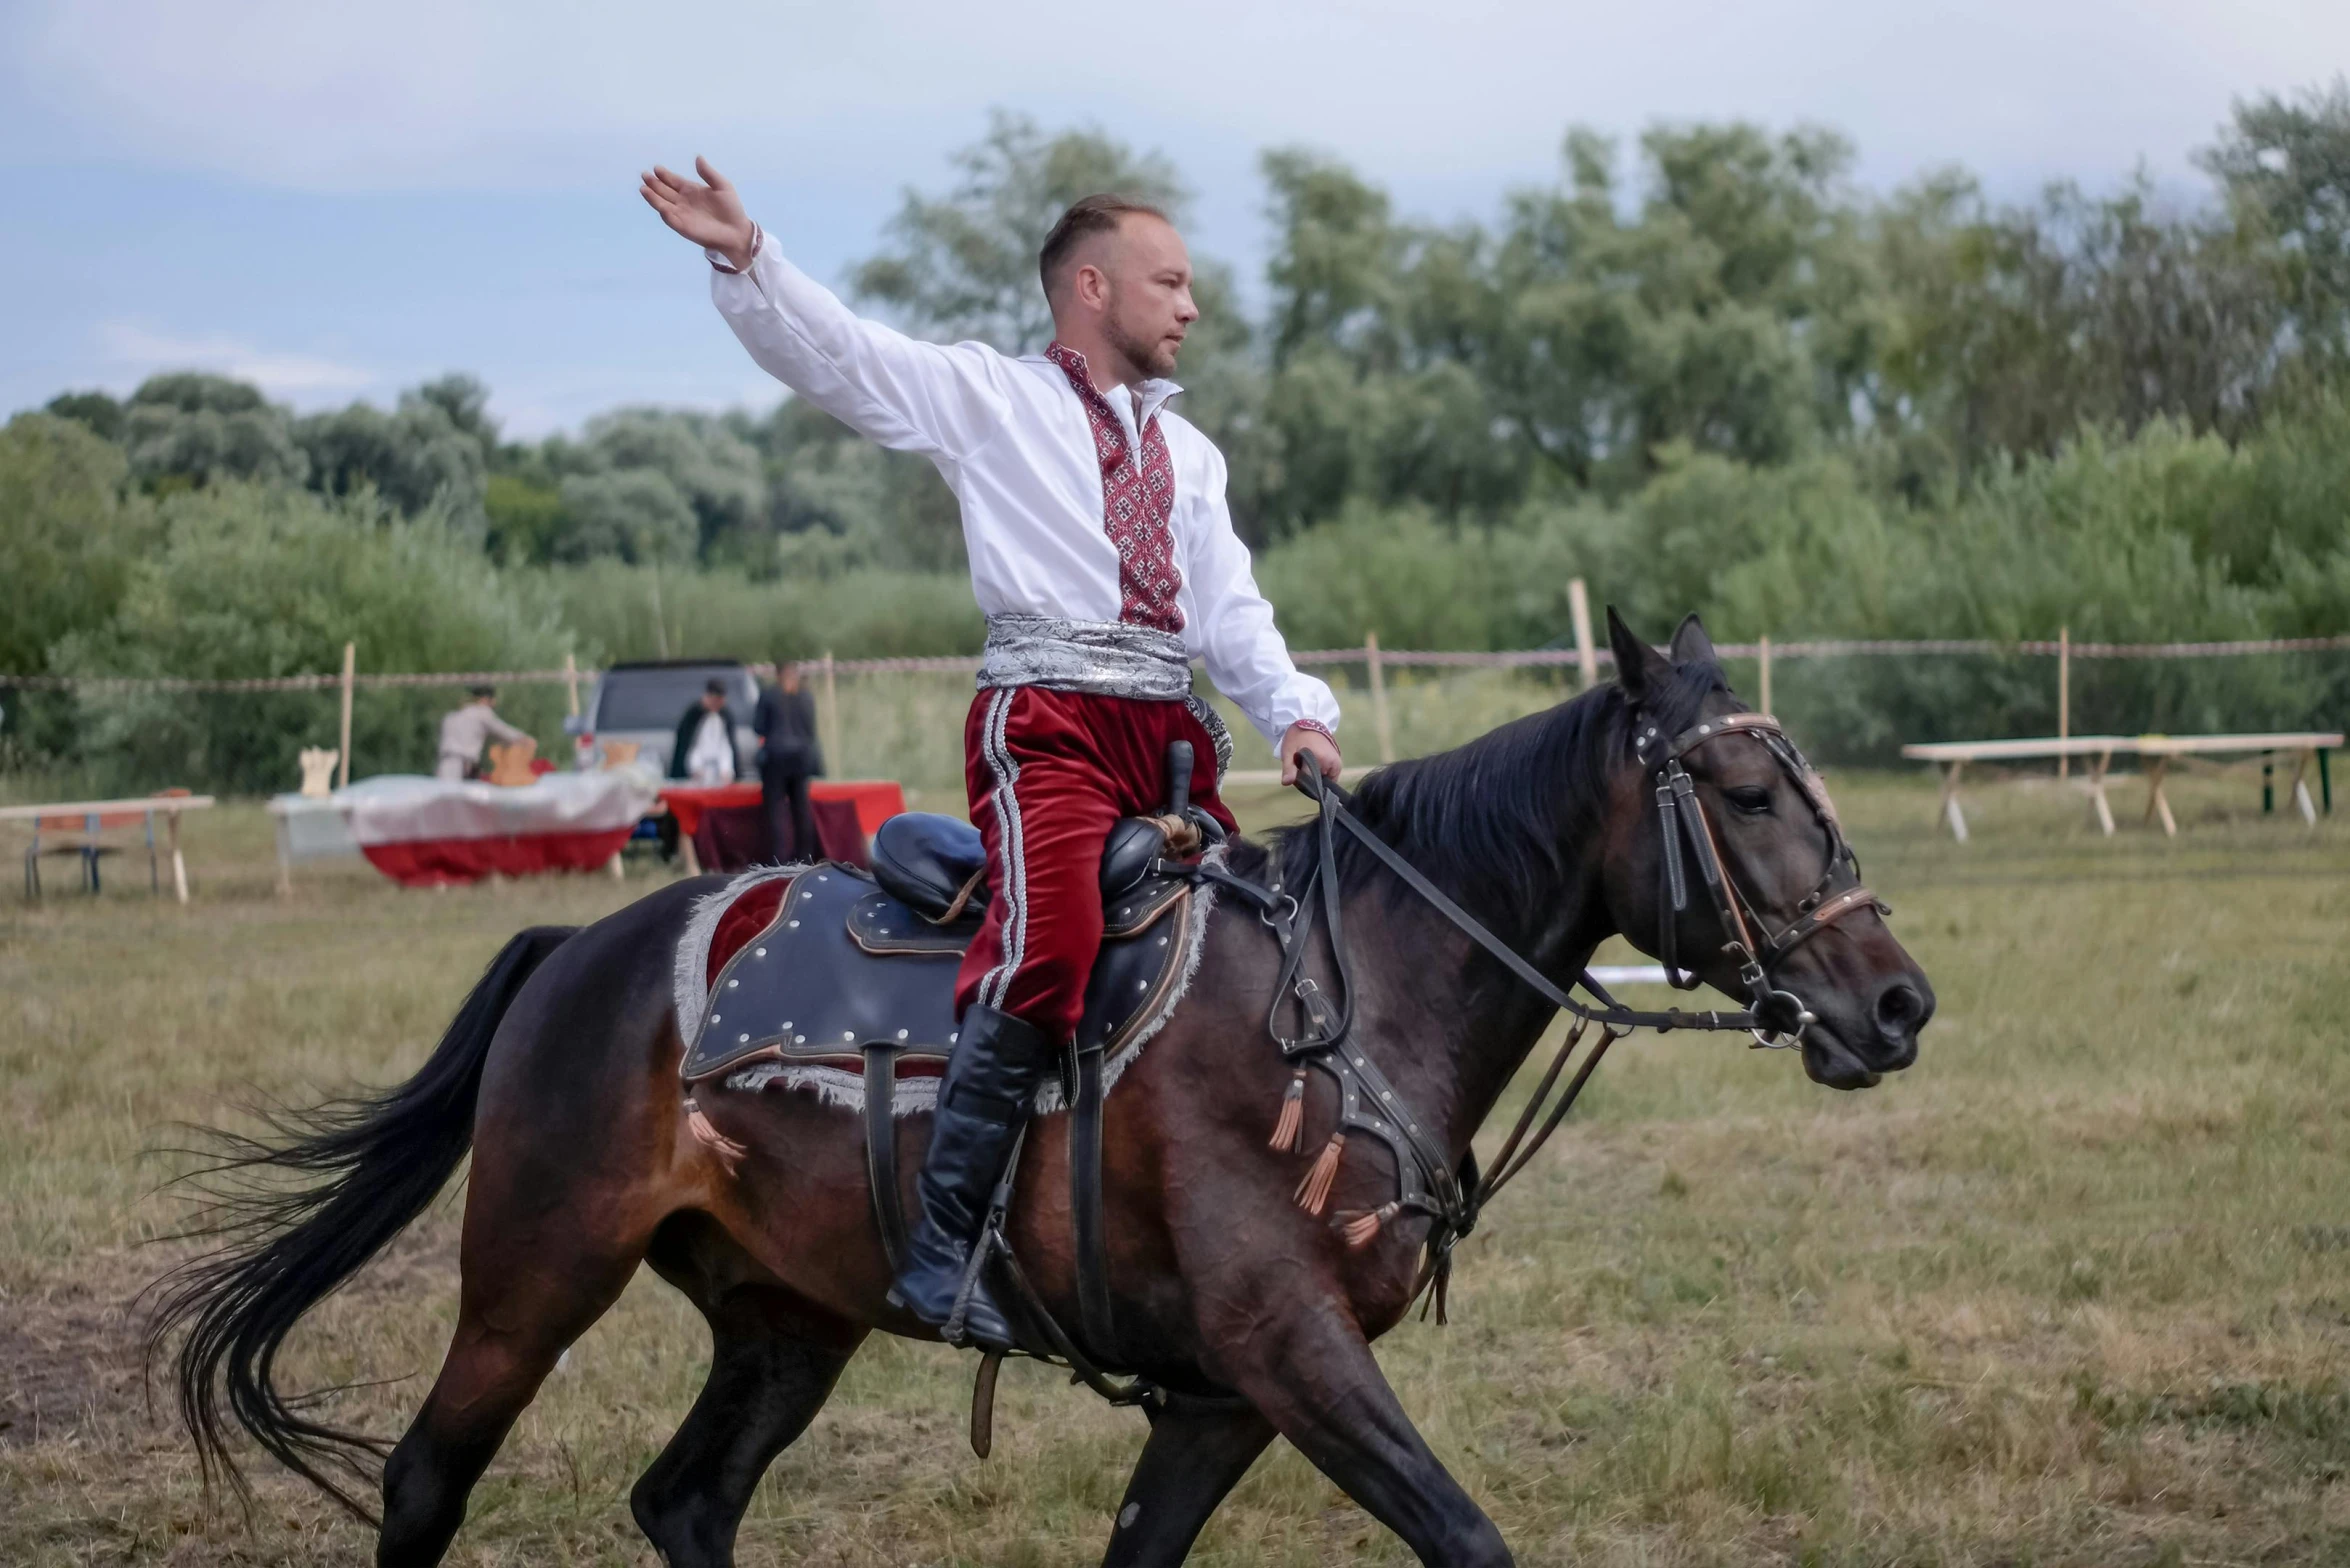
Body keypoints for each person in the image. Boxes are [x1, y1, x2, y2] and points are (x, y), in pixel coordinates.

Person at [641, 159, 1343, 1352]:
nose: (1189, 306)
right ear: (1090, 286)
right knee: (1053, 948)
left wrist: (1296, 714)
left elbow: (1232, 612)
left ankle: (1209, 1222)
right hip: (1049, 733)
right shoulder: (990, 399)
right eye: (1167, 282)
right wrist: (748, 255)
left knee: (1252, 949)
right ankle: (942, 1246)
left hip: (1170, 743)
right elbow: (848, 356)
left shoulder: (1195, 457)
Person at [754, 658, 824, 862]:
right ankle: (805, 857)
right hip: (801, 757)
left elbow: (758, 727)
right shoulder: (806, 696)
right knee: (801, 809)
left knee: (776, 811)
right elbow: (811, 730)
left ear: (777, 674)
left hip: (776, 758)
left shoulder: (768, 695)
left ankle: (778, 859)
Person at [436, 686, 529, 782]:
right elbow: (503, 731)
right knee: (456, 795)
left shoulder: (451, 716)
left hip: (444, 763)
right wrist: (524, 739)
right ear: (485, 699)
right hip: (461, 765)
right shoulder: (482, 712)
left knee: (443, 794)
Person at [671, 680, 737, 785]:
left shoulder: (725, 716)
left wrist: (726, 769)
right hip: (696, 771)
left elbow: (726, 747)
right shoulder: (693, 715)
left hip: (719, 771)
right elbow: (691, 746)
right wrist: (695, 767)